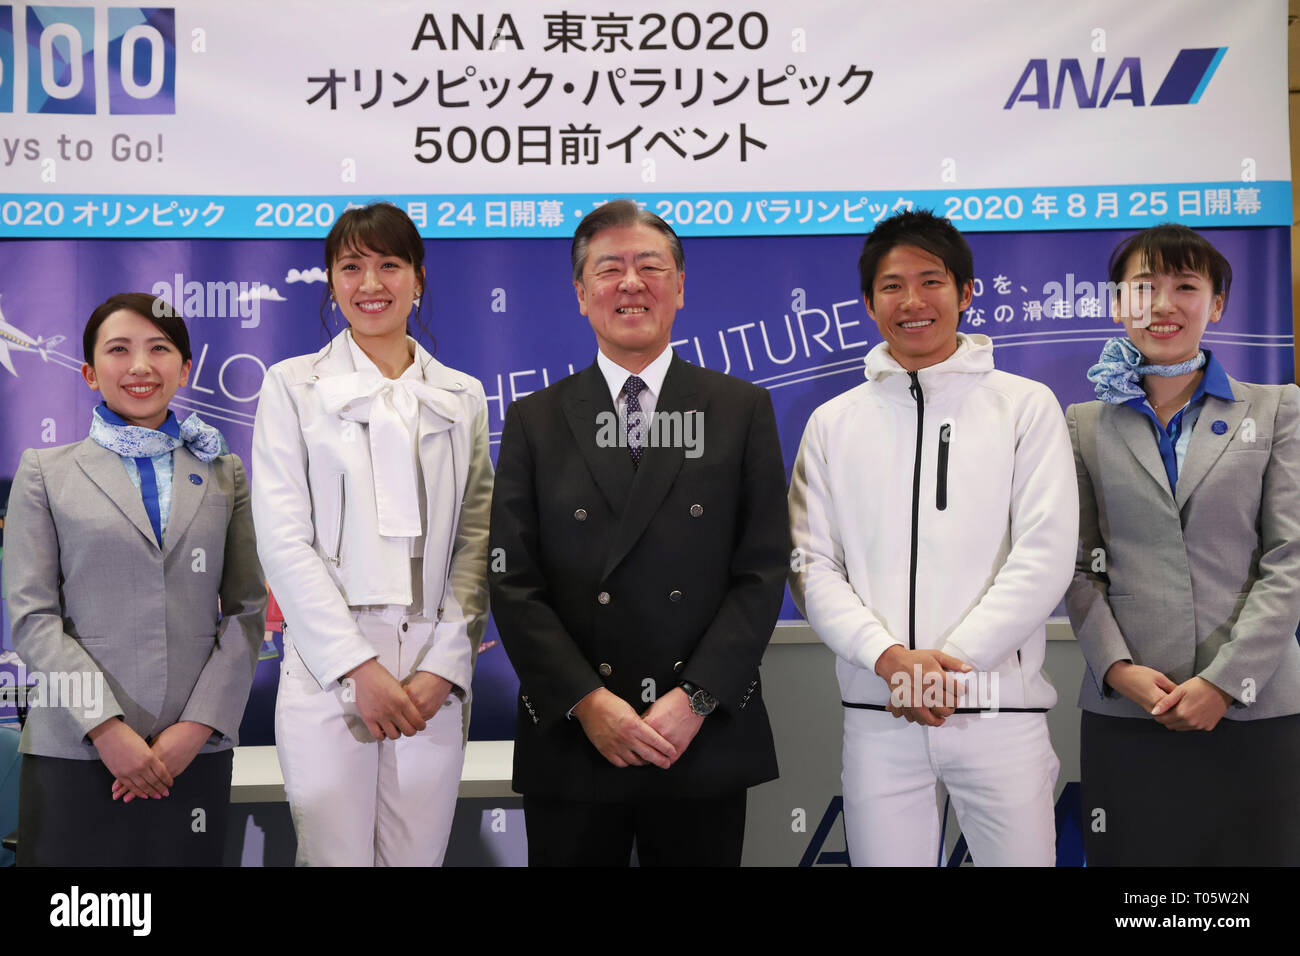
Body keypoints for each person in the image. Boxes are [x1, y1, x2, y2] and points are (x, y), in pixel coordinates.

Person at [489, 199, 789, 866]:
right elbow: (513, 582)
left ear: (679, 286)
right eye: (609, 269)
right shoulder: (535, 419)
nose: (630, 283)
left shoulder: (739, 409)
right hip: (574, 735)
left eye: (650, 266)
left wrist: (695, 699)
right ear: (581, 294)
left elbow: (763, 571)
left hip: (697, 735)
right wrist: (587, 702)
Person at [788, 210, 1077, 866]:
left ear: (965, 292)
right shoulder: (832, 423)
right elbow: (810, 565)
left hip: (998, 713)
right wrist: (890, 659)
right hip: (879, 712)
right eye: (892, 286)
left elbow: (1045, 553)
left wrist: (955, 664)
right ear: (869, 303)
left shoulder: (1024, 406)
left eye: (931, 281)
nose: (912, 301)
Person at [252, 202, 492, 866]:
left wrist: (445, 665)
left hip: (431, 670)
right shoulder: (292, 386)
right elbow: (283, 539)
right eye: (351, 267)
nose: (371, 284)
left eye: (389, 265)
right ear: (331, 282)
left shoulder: (462, 395)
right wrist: (356, 666)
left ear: (418, 278)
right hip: (328, 665)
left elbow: (476, 541)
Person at [1066, 223, 1300, 865]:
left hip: (1255, 706)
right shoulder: (1084, 424)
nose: (1163, 304)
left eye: (1186, 287)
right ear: (1118, 303)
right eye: (1144, 287)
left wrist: (1223, 683)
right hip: (1129, 710)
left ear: (1216, 305)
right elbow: (1078, 566)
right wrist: (1118, 670)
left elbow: (1289, 559)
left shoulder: (1276, 409)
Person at [5, 292, 265, 865]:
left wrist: (197, 726)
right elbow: (33, 618)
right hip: (76, 746)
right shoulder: (45, 472)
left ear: (185, 369)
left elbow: (247, 610)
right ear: (90, 372)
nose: (141, 366)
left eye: (160, 349)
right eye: (119, 350)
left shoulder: (224, 473)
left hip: (191, 752)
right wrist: (105, 728)